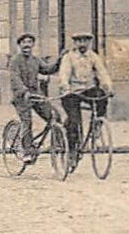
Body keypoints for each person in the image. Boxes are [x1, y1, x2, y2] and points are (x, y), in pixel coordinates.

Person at [55, 31, 114, 165]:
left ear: (89, 43)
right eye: (79, 41)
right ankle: (72, 151)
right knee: (74, 122)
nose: (82, 44)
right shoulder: (69, 57)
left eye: (85, 41)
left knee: (102, 97)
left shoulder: (93, 56)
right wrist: (65, 87)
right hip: (72, 92)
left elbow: (102, 72)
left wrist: (108, 87)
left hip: (88, 90)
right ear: (75, 43)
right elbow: (64, 74)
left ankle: (97, 125)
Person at [7, 33, 60, 163]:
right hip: (21, 97)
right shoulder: (15, 60)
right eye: (24, 42)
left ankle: (58, 144)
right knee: (27, 122)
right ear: (19, 45)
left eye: (30, 42)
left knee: (54, 115)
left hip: (36, 95)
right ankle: (27, 152)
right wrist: (24, 92)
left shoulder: (35, 60)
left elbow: (47, 69)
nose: (27, 45)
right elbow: (15, 78)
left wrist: (59, 61)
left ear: (33, 45)